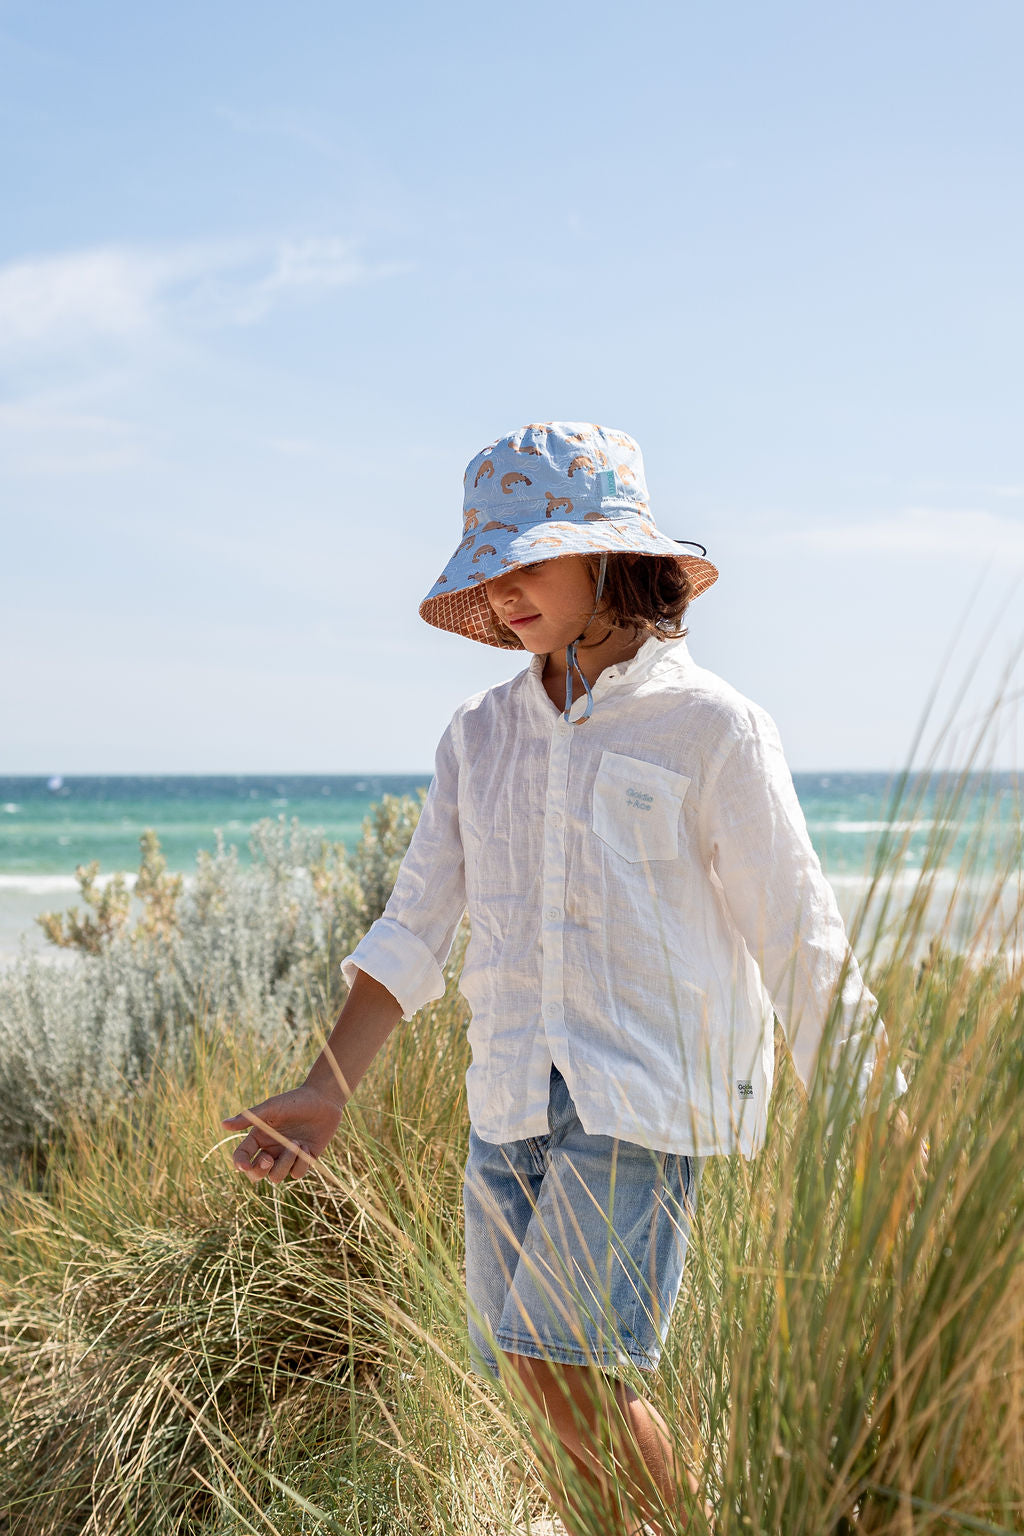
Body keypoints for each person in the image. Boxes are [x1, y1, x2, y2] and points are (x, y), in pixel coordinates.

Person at [223, 421, 908, 1535]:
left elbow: (798, 933)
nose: (505, 591)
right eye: (489, 567)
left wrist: (876, 1109)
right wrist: (325, 1087)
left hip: (640, 1099)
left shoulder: (713, 729)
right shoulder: (478, 736)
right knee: (539, 1405)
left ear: (611, 557)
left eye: (529, 558)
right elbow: (414, 925)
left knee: (562, 1369)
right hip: (504, 1103)